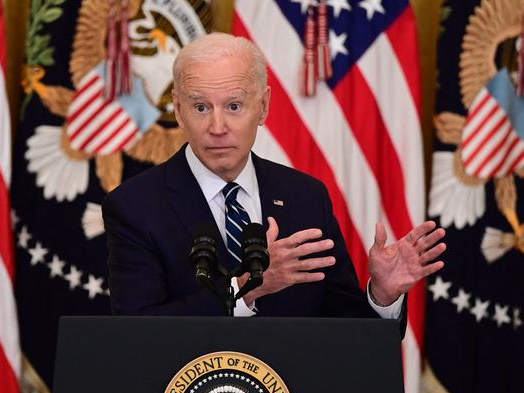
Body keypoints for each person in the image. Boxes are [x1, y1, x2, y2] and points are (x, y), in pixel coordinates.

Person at [102, 33, 445, 336]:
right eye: (201, 107)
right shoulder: (135, 206)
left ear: (263, 107)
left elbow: (347, 332)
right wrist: (245, 290)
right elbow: (136, 333)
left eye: (234, 106)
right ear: (178, 110)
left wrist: (382, 296)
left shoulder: (306, 197)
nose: (217, 126)